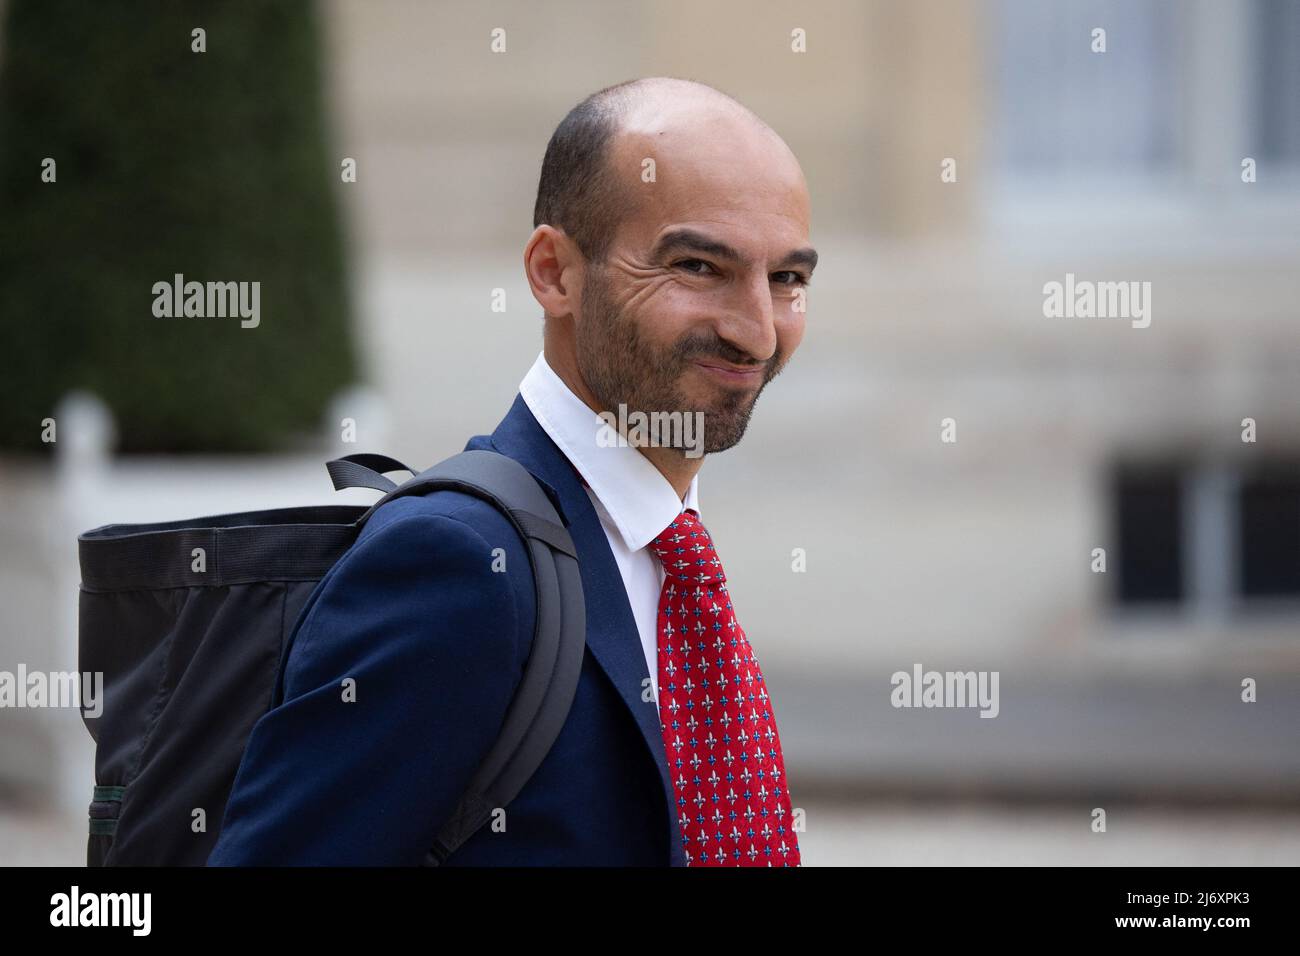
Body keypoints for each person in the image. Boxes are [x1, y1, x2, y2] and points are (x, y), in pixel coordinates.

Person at [207, 76, 817, 866]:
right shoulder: (454, 562)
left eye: (788, 280)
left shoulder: (673, 557)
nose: (758, 334)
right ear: (554, 273)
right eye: (699, 266)